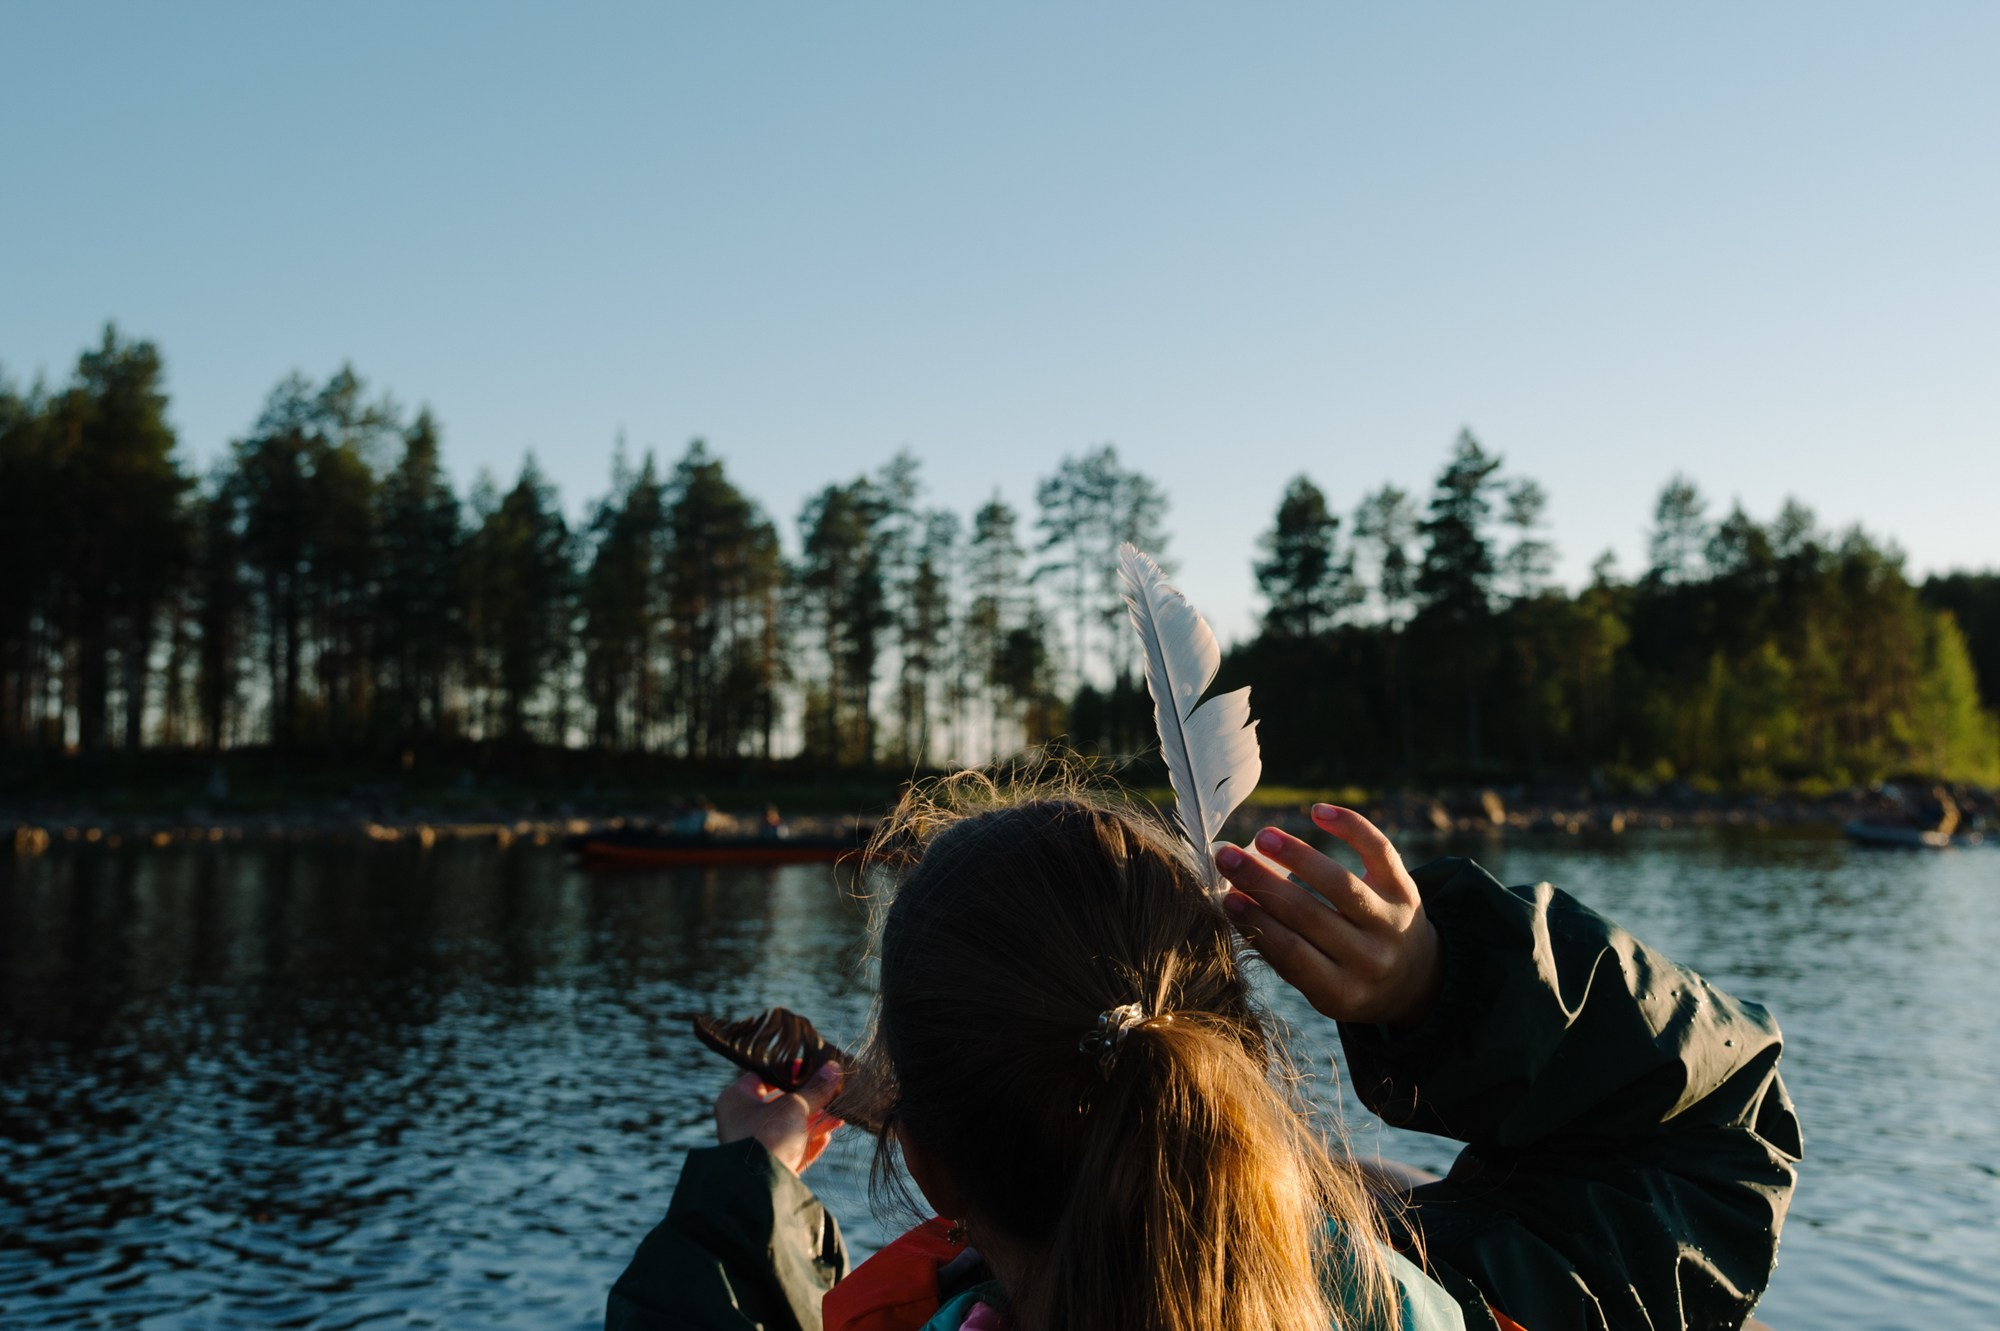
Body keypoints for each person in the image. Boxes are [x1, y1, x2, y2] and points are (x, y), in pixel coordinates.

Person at [607, 775, 1800, 1331]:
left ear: (925, 1163)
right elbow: (1715, 1142)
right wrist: (1439, 980)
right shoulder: (1457, 1306)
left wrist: (744, 1195)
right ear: (1231, 1059)